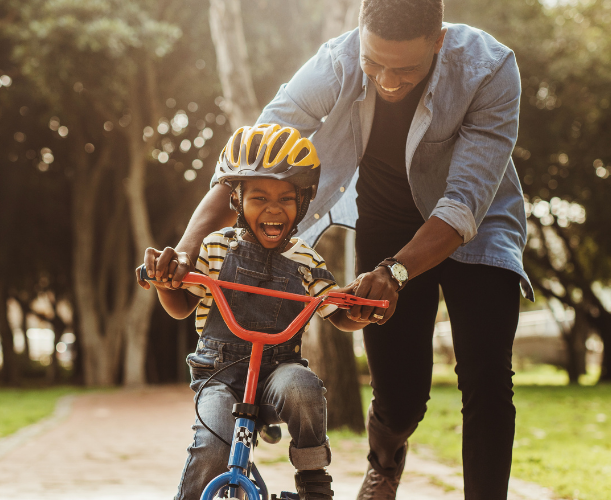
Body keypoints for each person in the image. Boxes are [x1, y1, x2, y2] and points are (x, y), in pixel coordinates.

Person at [143, 1, 535, 498]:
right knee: (401, 395)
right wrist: (187, 247)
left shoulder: (491, 69)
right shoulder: (337, 60)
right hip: (388, 220)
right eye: (375, 64)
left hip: (476, 225)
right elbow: (257, 153)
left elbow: (462, 204)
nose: (388, 82)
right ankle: (386, 460)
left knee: (486, 375)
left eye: (406, 69)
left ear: (439, 41)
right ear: (360, 37)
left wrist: (395, 273)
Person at [139, 124, 372, 500]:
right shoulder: (216, 248)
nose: (273, 209)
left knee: (303, 386)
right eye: (259, 197)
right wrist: (167, 283)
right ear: (236, 200)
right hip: (220, 374)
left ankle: (314, 481)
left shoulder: (306, 261)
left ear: (304, 201)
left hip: (277, 374)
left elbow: (335, 310)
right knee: (213, 446)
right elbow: (182, 306)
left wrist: (357, 311)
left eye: (286, 198)